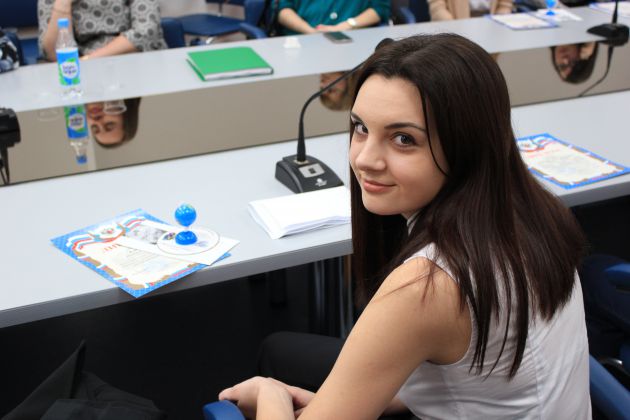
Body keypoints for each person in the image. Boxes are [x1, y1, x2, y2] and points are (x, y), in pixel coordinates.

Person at [218, 34, 591, 419]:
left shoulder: (426, 287)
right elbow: (484, 380)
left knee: (273, 361)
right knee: (281, 349)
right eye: (360, 127)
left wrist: (270, 394)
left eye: (403, 139)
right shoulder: (533, 209)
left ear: (465, 144)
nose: (365, 159)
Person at [38, 0, 167, 61]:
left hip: (134, 57)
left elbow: (146, 31)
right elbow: (53, 53)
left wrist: (89, 60)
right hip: (80, 72)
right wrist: (63, 3)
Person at [277, 0, 390, 35]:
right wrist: (310, 31)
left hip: (351, 39)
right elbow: (282, 10)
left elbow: (380, 9)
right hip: (301, 39)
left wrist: (347, 25)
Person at [428, 0, 513, 20]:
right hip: (455, 23)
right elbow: (437, 8)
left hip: (491, 23)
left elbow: (505, 5)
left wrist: (499, 22)